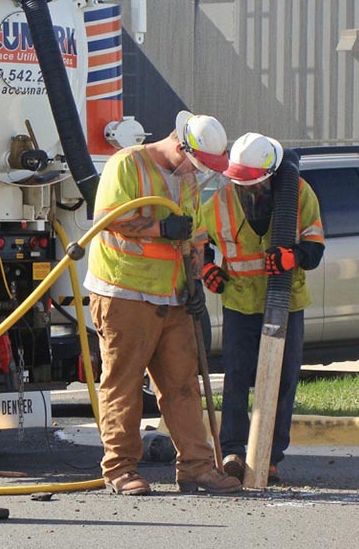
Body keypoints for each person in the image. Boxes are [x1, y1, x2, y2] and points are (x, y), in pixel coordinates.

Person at [84, 111, 242, 496]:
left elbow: (194, 235)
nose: (198, 171)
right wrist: (159, 228)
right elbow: (106, 220)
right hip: (125, 293)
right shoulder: (127, 164)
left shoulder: (186, 178)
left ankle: (197, 467)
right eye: (197, 162)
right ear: (178, 145)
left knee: (182, 384)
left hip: (172, 295)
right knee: (122, 384)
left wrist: (196, 283)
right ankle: (119, 469)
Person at [201, 132, 325, 484]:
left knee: (284, 380)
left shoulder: (298, 194)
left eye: (254, 185)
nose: (248, 191)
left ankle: (270, 456)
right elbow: (197, 239)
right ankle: (233, 452)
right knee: (238, 379)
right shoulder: (222, 200)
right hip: (239, 303)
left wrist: (293, 256)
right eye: (242, 185)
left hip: (286, 303)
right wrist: (207, 267)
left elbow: (315, 247)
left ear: (271, 176)